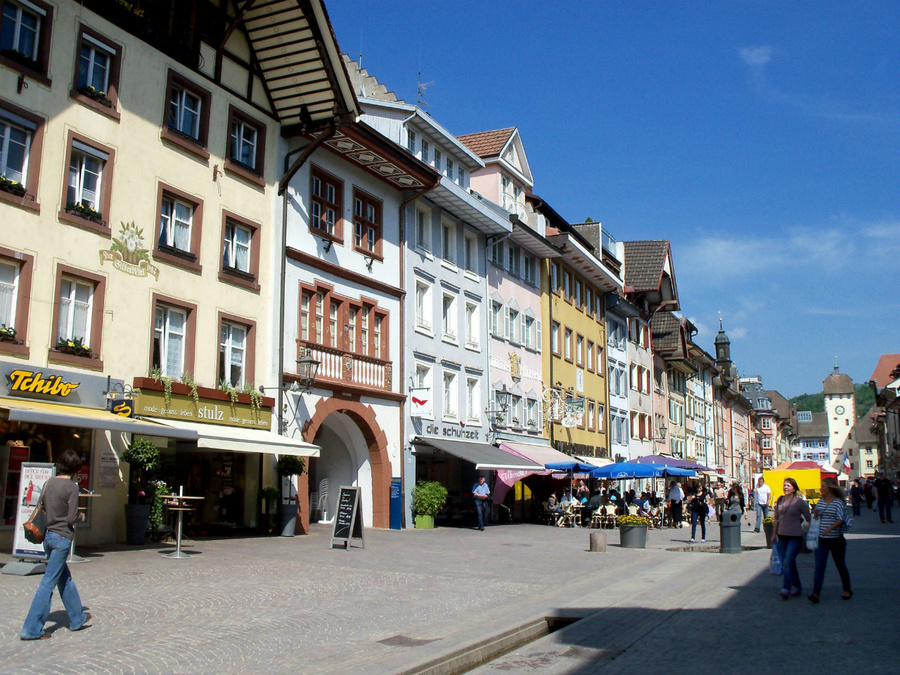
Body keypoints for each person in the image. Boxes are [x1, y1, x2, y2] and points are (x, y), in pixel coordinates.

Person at [20, 450, 92, 640]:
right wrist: (81, 516)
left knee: (64, 579)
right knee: (48, 582)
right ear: (76, 468)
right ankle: (31, 629)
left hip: (48, 537)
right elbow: (71, 517)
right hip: (62, 537)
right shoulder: (71, 487)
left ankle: (77, 618)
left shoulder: (48, 483)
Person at [808, 477, 852, 603]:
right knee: (819, 566)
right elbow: (816, 519)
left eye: (823, 486)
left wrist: (830, 528)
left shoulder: (838, 502)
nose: (820, 488)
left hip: (836, 540)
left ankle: (847, 589)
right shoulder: (820, 502)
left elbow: (841, 519)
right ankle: (815, 594)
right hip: (822, 540)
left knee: (840, 565)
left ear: (830, 488)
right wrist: (815, 514)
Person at [773, 477, 811, 600]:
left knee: (787, 562)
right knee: (790, 563)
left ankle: (786, 588)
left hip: (795, 536)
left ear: (794, 488)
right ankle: (798, 587)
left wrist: (813, 532)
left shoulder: (799, 502)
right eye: (784, 485)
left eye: (788, 485)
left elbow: (809, 518)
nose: (785, 487)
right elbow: (776, 519)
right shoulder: (780, 500)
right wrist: (774, 534)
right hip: (782, 536)